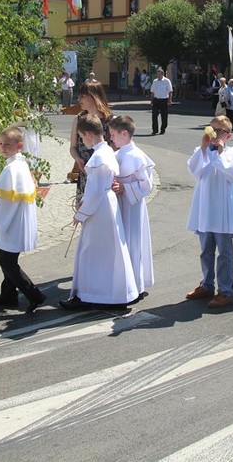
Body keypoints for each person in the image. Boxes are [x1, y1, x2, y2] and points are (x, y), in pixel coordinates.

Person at [61, 114, 138, 309]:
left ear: (88, 134)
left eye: (81, 137)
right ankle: (113, 293)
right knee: (108, 252)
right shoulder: (107, 151)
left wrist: (80, 214)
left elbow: (94, 193)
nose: (81, 142)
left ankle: (90, 295)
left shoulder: (97, 158)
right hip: (107, 207)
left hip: (100, 211)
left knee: (92, 252)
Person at [186, 115, 233, 308]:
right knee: (206, 251)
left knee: (224, 253)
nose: (215, 134)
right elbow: (195, 171)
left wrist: (219, 154)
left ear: (229, 135)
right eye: (212, 129)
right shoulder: (200, 151)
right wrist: (204, 148)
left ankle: (225, 291)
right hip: (204, 209)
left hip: (222, 210)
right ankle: (207, 284)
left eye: (220, 131)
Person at [0, 126, 46, 313]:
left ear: (19, 145)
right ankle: (8, 295)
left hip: (12, 223)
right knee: (7, 260)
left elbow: (7, 202)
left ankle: (34, 294)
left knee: (7, 262)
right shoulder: (19, 164)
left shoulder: (13, 168)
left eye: (7, 145)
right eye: (1, 144)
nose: (3, 148)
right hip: (15, 221)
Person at [109, 115, 155, 299]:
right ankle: (124, 283)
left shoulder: (137, 156)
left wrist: (124, 188)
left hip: (132, 206)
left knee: (133, 242)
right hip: (120, 204)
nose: (111, 138)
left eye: (113, 134)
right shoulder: (118, 153)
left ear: (125, 133)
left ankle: (135, 284)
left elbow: (146, 185)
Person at [69, 81, 113, 206]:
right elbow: (72, 147)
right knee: (84, 212)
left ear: (94, 96)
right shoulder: (78, 119)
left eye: (82, 96)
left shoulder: (110, 120)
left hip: (104, 175)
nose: (79, 99)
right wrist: (78, 159)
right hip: (85, 174)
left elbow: (117, 149)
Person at [150, 67, 173, 135]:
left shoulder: (167, 81)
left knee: (164, 116)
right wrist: (151, 101)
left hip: (164, 100)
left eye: (159, 74)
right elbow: (152, 92)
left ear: (162, 74)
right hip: (156, 100)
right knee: (154, 115)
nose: (158, 76)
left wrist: (170, 100)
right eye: (157, 74)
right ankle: (155, 130)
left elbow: (170, 91)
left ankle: (163, 129)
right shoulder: (155, 81)